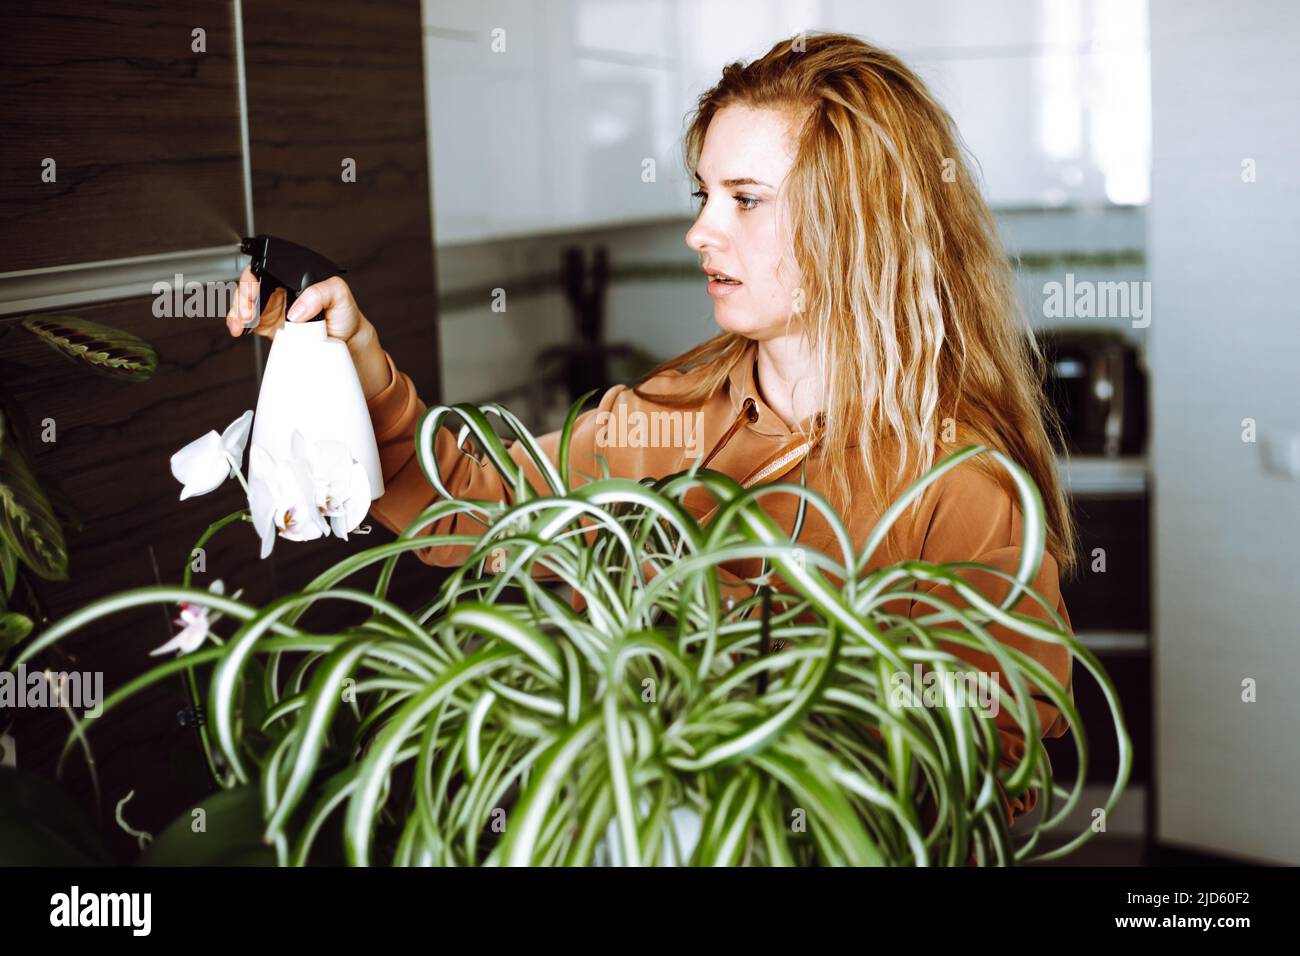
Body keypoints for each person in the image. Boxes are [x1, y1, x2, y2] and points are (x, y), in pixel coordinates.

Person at [226, 32, 1076, 833]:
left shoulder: (960, 480)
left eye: (745, 200)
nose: (700, 231)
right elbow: (473, 505)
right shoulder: (661, 420)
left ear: (859, 226)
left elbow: (1005, 747)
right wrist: (352, 355)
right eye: (705, 196)